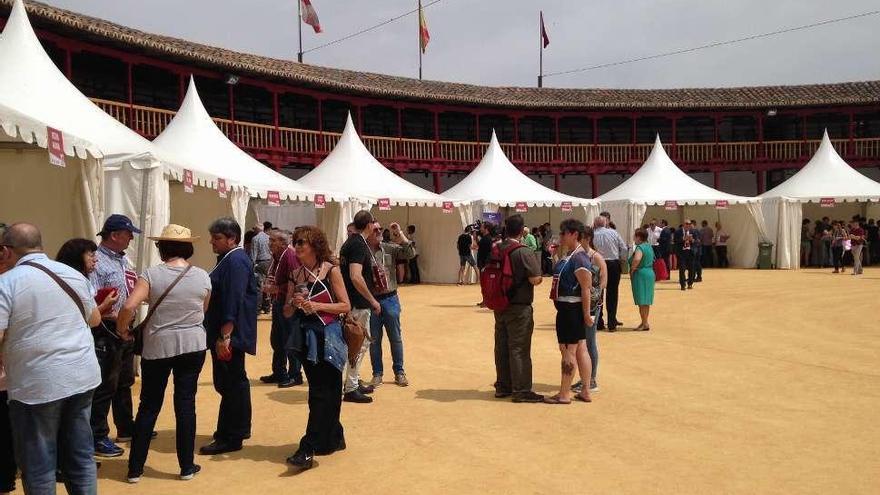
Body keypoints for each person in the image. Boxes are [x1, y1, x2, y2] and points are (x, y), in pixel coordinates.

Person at [0, 223, 102, 494]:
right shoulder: (72, 274)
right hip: (81, 375)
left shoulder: (6, 283)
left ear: (6, 251)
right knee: (80, 457)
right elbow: (94, 319)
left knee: (39, 465)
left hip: (36, 383)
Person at [116, 225, 211, 483]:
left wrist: (122, 329)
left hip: (158, 345)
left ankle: (135, 468)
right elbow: (203, 310)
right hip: (193, 344)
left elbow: (129, 305)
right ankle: (186, 466)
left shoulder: (151, 274)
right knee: (185, 404)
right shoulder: (202, 275)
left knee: (149, 406)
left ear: (162, 248)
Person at [282, 226, 351, 470]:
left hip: (328, 337)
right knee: (322, 392)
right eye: (296, 242)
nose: (298, 246)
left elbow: (345, 306)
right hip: (305, 339)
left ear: (315, 244)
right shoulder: (296, 273)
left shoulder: (331, 271)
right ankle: (333, 437)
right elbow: (287, 312)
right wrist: (294, 302)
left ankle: (308, 446)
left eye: (302, 242)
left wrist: (316, 306)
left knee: (325, 391)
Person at [200, 218, 258, 455]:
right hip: (229, 331)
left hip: (229, 333)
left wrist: (225, 335)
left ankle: (229, 436)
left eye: (217, 238)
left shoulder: (234, 261)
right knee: (235, 382)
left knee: (230, 383)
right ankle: (239, 428)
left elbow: (233, 299)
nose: (212, 242)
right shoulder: (232, 259)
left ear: (232, 238)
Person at [90, 214, 141, 457]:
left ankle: (126, 427)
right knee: (104, 385)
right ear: (114, 235)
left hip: (124, 328)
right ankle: (98, 436)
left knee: (124, 381)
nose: (131, 238)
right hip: (106, 328)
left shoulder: (122, 259)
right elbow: (92, 297)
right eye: (128, 234)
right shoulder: (97, 262)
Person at [492, 215, 544, 403]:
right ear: (522, 230)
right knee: (519, 348)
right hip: (519, 305)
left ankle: (503, 385)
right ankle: (521, 389)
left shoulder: (497, 248)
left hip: (499, 304)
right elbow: (535, 278)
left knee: (501, 346)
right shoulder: (523, 251)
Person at [544, 219, 594, 405]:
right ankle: (585, 390)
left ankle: (564, 394)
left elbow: (585, 288)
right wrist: (555, 256)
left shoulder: (579, 257)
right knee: (580, 348)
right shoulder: (572, 255)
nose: (561, 236)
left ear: (574, 234)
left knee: (568, 351)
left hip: (570, 309)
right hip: (568, 309)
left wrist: (587, 314)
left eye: (564, 233)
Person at [366, 222, 416, 388]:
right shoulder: (363, 251)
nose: (380, 232)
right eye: (376, 230)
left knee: (395, 338)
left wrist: (399, 233)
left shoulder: (389, 248)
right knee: (374, 339)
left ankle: (399, 372)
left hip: (390, 299)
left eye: (381, 229)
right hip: (372, 300)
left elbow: (410, 253)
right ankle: (377, 374)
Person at [340, 210, 380, 404]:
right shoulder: (358, 245)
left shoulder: (350, 242)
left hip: (352, 301)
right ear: (369, 225)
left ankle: (352, 381)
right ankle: (351, 386)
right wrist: (372, 300)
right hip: (358, 303)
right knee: (358, 345)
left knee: (354, 344)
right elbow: (356, 276)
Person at [260, 230, 303, 388]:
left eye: (273, 240)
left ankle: (295, 374)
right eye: (270, 240)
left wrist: (277, 289)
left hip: (287, 304)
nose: (269, 243)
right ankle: (279, 371)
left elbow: (297, 280)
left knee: (289, 339)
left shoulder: (289, 256)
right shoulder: (276, 257)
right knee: (277, 340)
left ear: (284, 243)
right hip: (278, 303)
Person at [571, 226, 607, 394]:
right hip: (580, 303)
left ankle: (591, 379)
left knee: (590, 341)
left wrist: (593, 299)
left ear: (587, 239)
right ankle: (585, 378)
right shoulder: (579, 256)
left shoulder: (596, 257)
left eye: (580, 238)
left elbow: (603, 282)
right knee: (582, 342)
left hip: (592, 305)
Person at [592, 216, 627, 332]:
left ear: (595, 224)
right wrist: (622, 260)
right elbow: (623, 248)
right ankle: (612, 322)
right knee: (612, 293)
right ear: (606, 223)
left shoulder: (592, 235)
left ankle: (599, 322)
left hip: (597, 263)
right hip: (613, 263)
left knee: (598, 292)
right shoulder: (613, 233)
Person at [629, 229, 656, 331]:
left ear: (639, 237)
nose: (634, 238)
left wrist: (632, 269)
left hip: (641, 274)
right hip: (649, 272)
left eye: (635, 236)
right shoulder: (649, 246)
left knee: (641, 300)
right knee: (646, 300)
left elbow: (637, 259)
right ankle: (644, 321)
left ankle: (645, 323)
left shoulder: (640, 247)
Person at [251, 224, 272, 314]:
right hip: (269, 262)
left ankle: (258, 308)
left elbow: (253, 253)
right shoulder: (269, 237)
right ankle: (267, 306)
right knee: (268, 284)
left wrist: (252, 265)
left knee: (259, 286)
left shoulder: (255, 239)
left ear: (256, 229)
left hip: (260, 263)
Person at [674, 220, 698, 290]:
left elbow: (697, 241)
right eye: (687, 224)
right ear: (683, 224)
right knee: (682, 269)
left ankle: (690, 284)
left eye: (689, 224)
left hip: (690, 252)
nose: (688, 225)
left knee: (691, 269)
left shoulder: (693, 232)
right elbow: (675, 241)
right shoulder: (678, 232)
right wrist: (683, 239)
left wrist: (693, 240)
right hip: (682, 253)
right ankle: (682, 285)